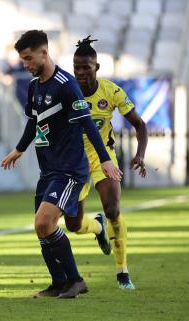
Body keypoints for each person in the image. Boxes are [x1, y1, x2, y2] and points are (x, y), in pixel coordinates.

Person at [1, 30, 122, 298]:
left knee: (45, 224)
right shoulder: (34, 86)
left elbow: (88, 123)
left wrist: (104, 159)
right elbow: (34, 121)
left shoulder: (66, 85)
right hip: (48, 169)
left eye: (28, 58)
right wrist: (19, 149)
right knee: (40, 227)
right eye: (22, 60)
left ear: (44, 53)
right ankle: (58, 282)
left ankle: (76, 280)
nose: (25, 65)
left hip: (70, 170)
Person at [65, 36, 148, 290]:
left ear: (96, 68)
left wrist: (140, 154)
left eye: (85, 67)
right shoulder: (66, 92)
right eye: (76, 67)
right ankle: (97, 226)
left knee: (113, 208)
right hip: (73, 160)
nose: (80, 72)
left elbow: (140, 124)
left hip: (104, 157)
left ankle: (122, 271)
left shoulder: (110, 91)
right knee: (74, 225)